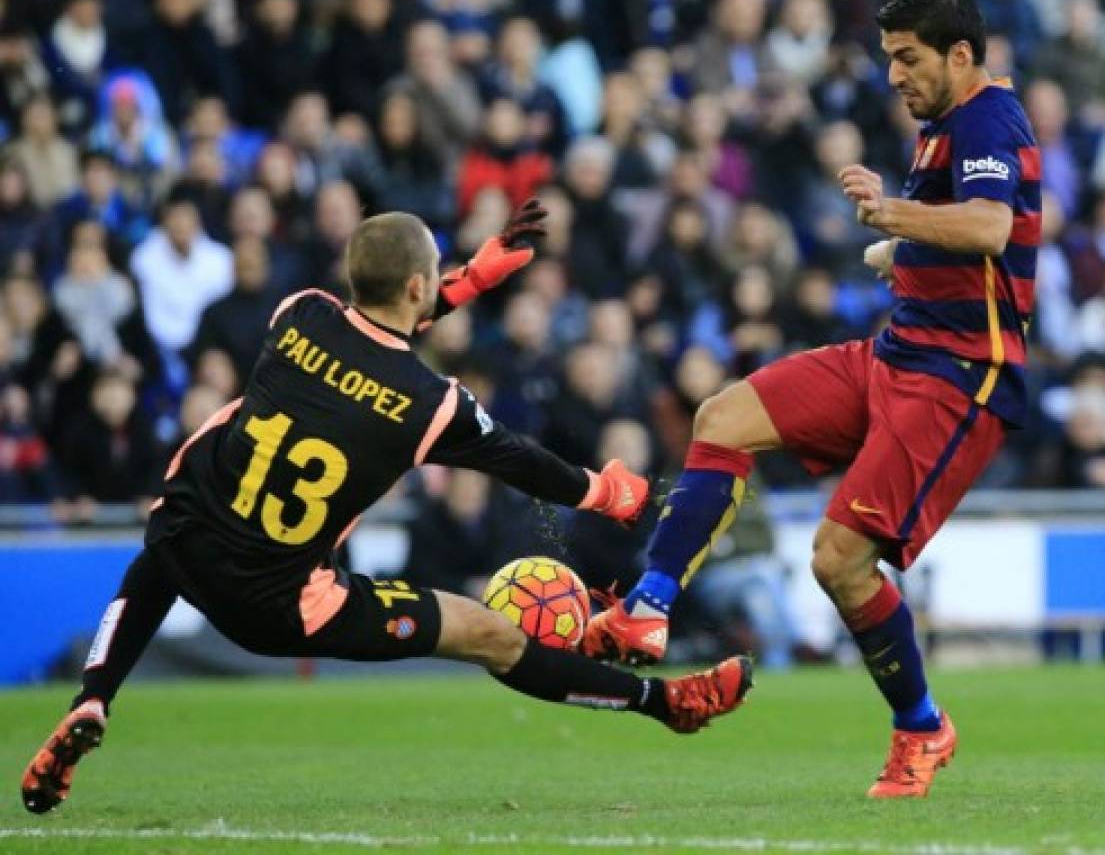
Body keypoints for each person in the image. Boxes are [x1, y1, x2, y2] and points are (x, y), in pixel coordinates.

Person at [21, 199, 751, 815]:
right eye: (434, 274)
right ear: (416, 285)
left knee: (167, 539)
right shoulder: (432, 405)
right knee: (489, 635)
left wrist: (470, 277)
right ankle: (666, 705)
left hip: (191, 536)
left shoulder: (297, 315)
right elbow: (520, 460)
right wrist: (606, 491)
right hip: (281, 603)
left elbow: (372, 328)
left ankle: (94, 697)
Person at [584, 0, 1040, 800]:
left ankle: (922, 727)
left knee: (838, 560)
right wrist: (902, 254)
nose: (894, 75)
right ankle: (647, 606)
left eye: (908, 59)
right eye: (889, 59)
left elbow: (989, 227)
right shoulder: (945, 124)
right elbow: (976, 246)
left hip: (957, 382)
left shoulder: (987, 117)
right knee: (723, 415)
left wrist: (891, 219)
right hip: (896, 355)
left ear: (961, 55)